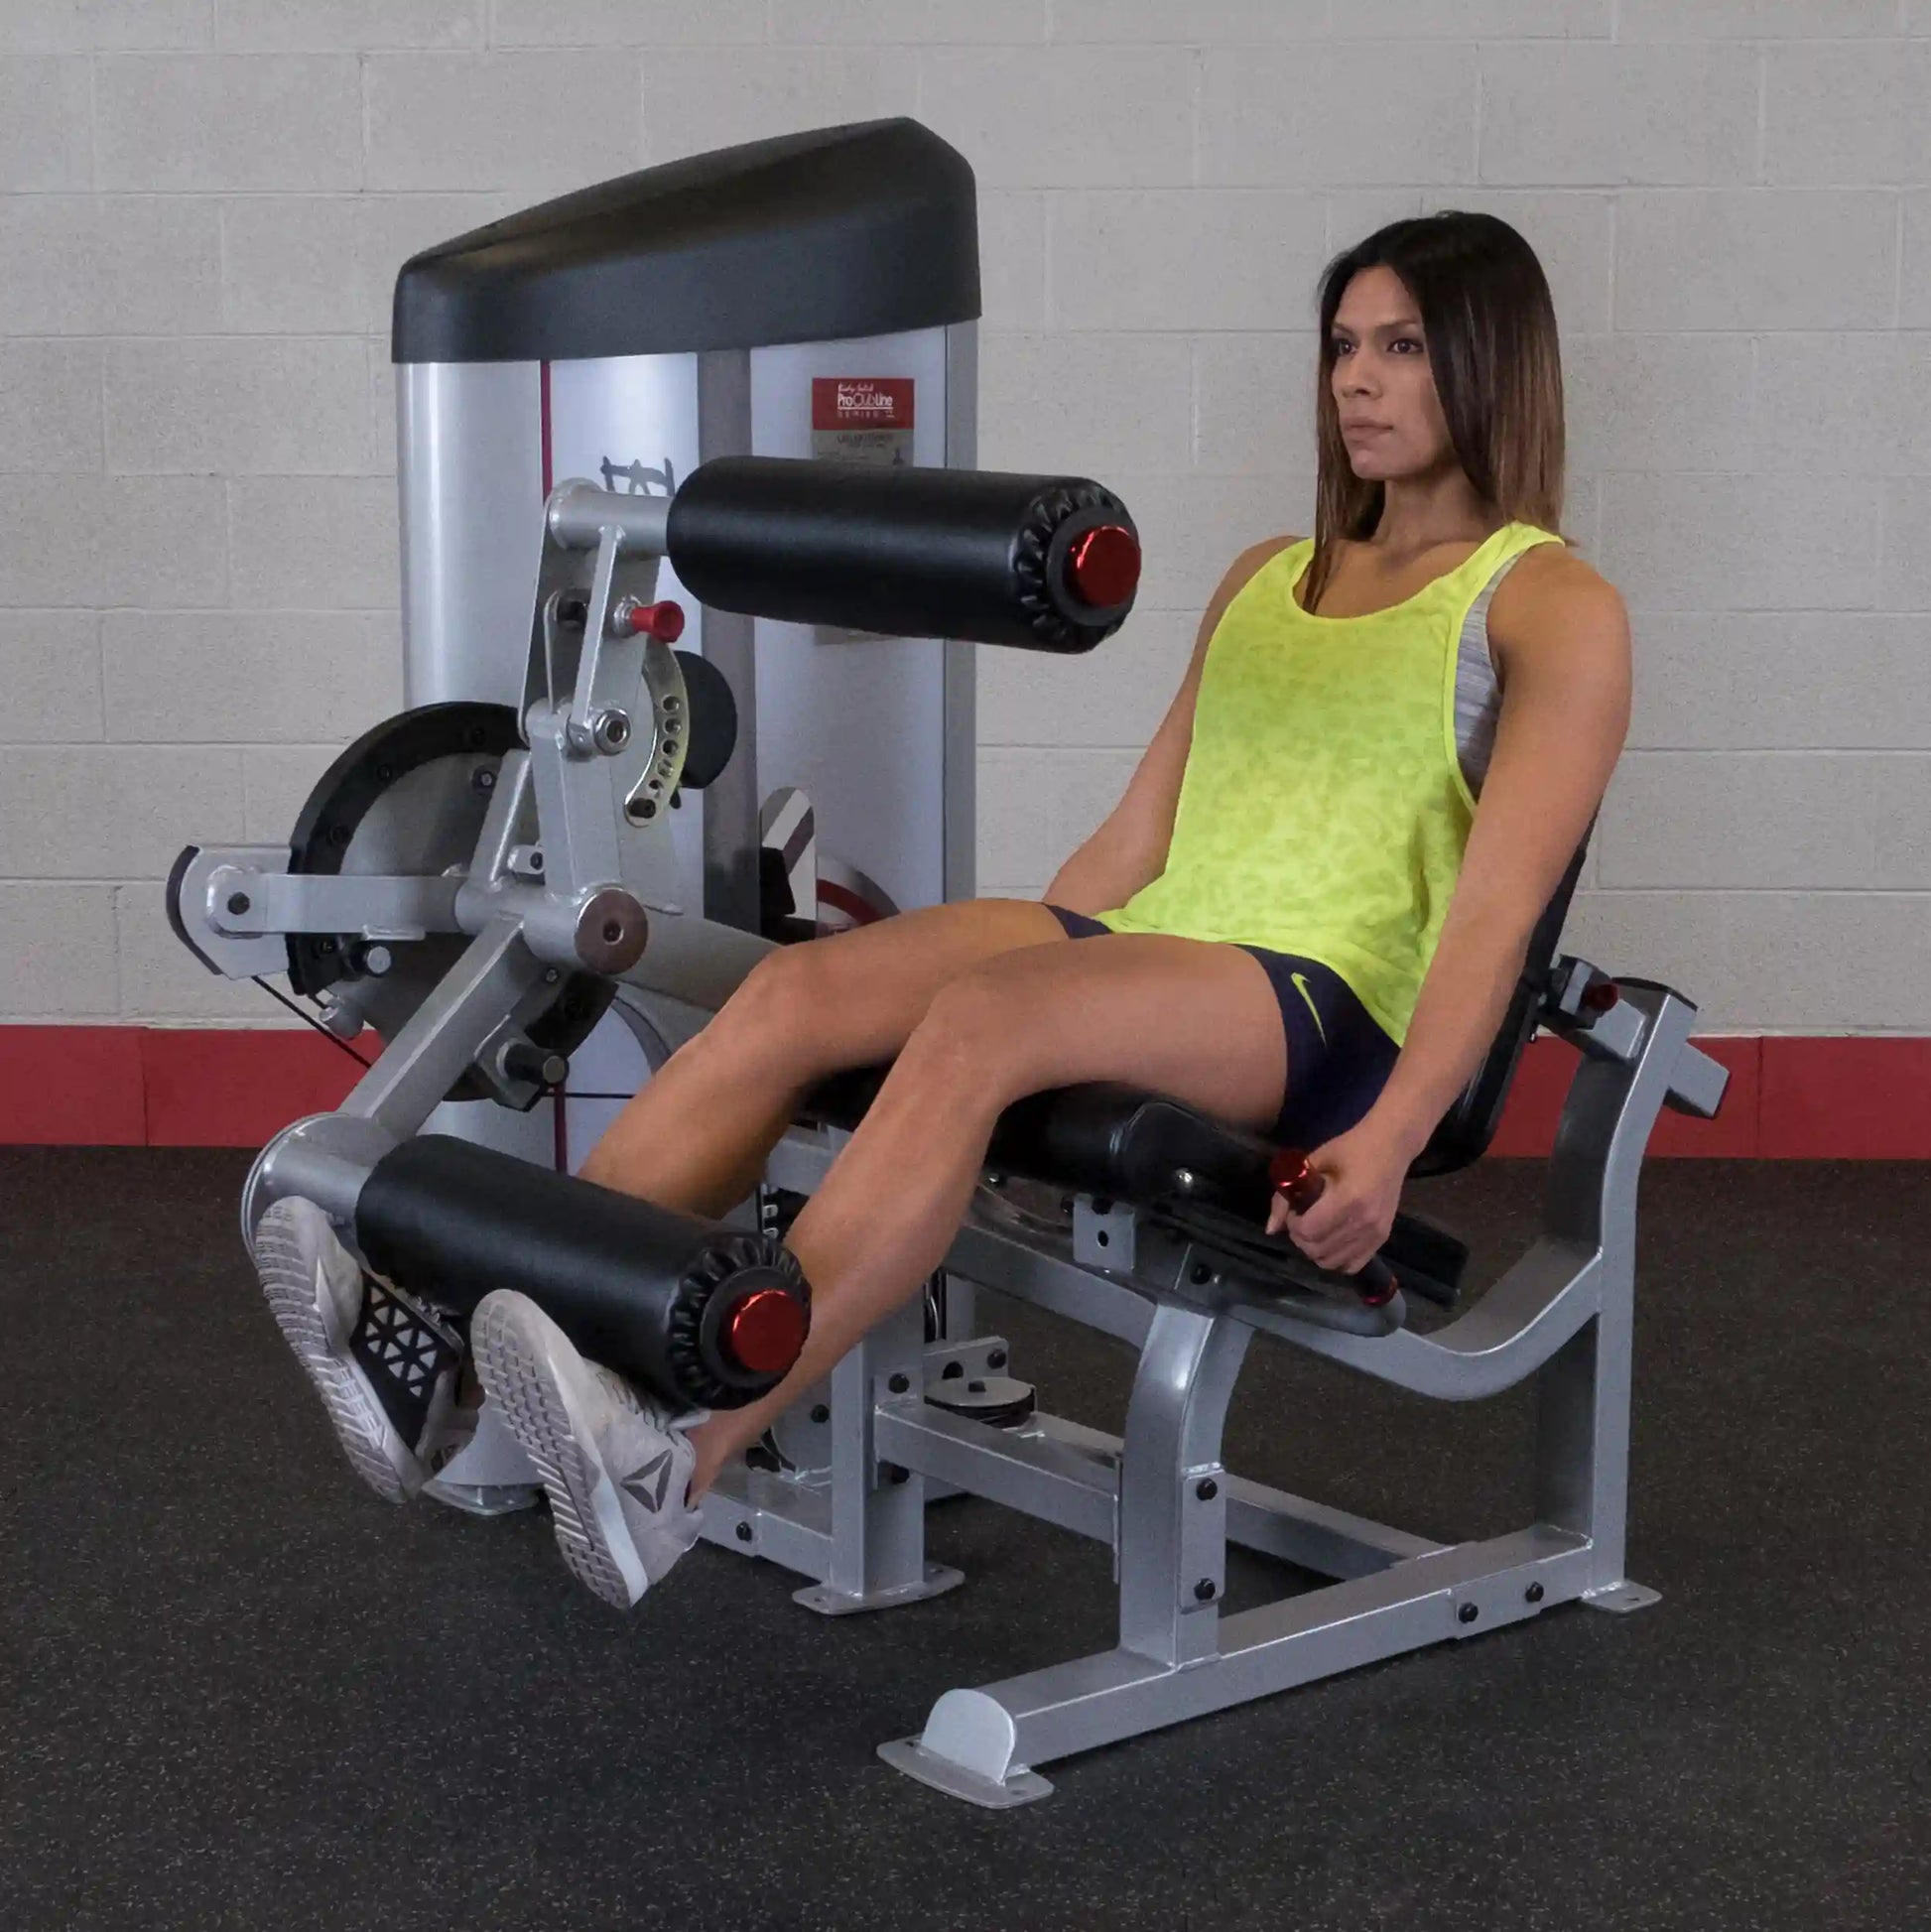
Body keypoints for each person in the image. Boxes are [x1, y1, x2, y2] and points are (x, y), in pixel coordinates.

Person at [253, 209, 1631, 1611]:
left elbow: (1494, 914)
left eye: (1399, 348)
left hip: (1326, 1007)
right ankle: (449, 1346)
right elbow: (1141, 834)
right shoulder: (1267, 576)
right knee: (799, 992)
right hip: (1168, 955)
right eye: (1343, 346)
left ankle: (680, 1461)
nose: (1356, 380)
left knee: (977, 1022)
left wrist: (1386, 1141)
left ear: (1484, 364)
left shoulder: (1546, 603)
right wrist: (1040, 976)